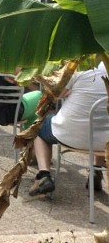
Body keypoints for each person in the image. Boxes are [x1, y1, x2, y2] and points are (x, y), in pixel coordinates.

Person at [29, 62, 109, 196]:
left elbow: (56, 95)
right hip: (105, 143)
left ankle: (44, 175)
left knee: (40, 129)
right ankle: (96, 170)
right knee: (98, 121)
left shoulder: (81, 67)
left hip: (70, 134)